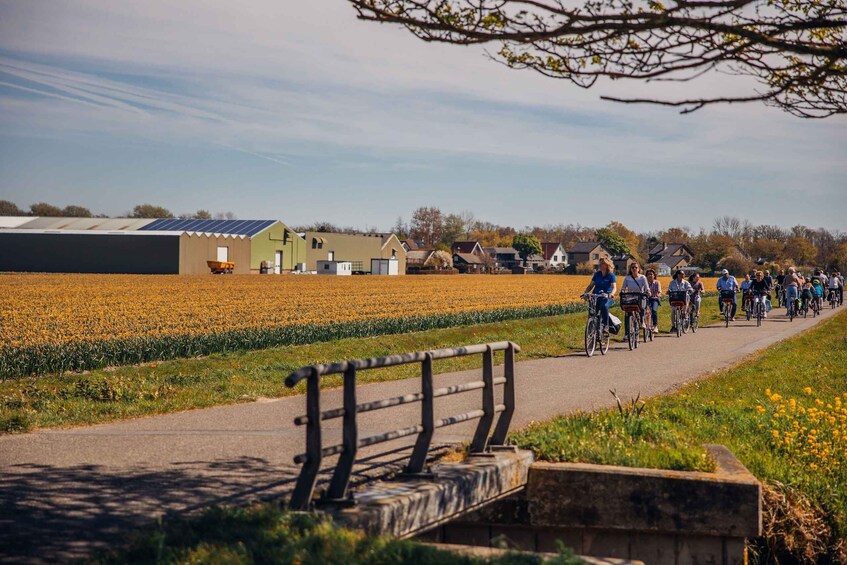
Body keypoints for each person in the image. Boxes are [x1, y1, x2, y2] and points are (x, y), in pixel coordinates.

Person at [582, 257, 617, 331]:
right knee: (592, 311)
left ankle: (606, 325)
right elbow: (591, 285)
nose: (600, 265)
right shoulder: (597, 274)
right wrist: (585, 293)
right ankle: (592, 329)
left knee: (603, 306)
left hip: (606, 297)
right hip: (596, 296)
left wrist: (611, 294)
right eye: (600, 263)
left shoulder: (611, 275)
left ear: (607, 265)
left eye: (602, 263)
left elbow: (614, 287)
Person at [619, 263, 649, 339]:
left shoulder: (642, 277)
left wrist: (648, 292)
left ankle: (642, 321)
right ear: (630, 269)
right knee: (627, 314)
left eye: (636, 267)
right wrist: (622, 291)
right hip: (630, 297)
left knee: (641, 307)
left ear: (639, 269)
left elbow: (646, 287)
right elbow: (623, 287)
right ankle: (627, 334)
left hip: (640, 296)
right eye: (632, 267)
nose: (634, 269)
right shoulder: (627, 278)